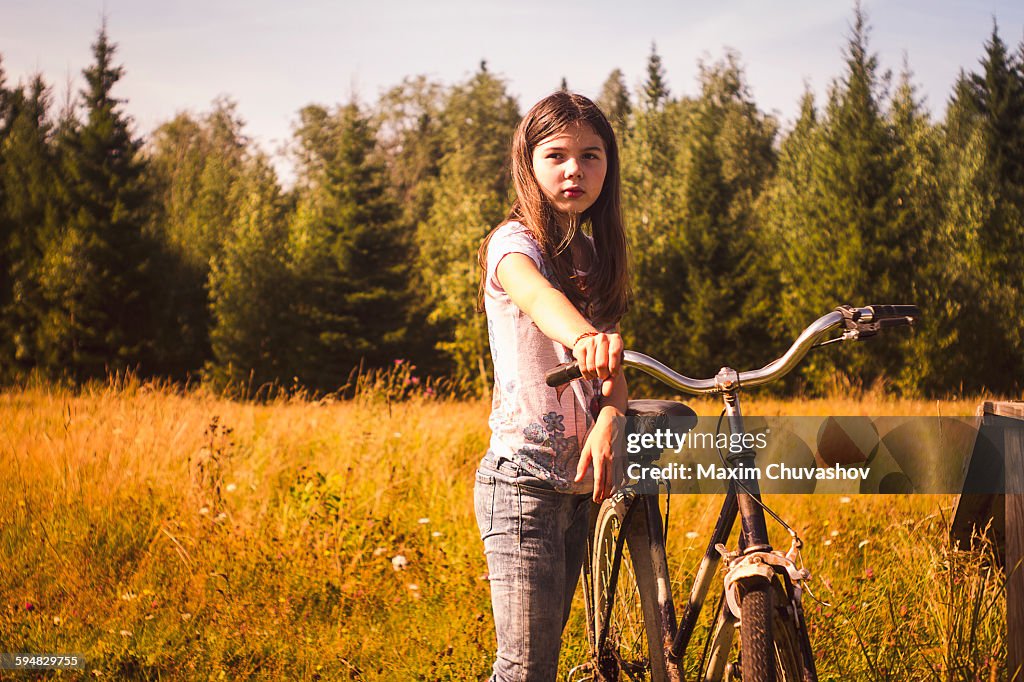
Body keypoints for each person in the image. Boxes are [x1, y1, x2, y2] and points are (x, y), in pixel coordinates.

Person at [473, 91, 630, 681]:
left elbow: (613, 373)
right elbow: (540, 299)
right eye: (556, 155)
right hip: (523, 486)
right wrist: (585, 335)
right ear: (529, 164)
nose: (574, 170)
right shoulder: (513, 246)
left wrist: (613, 417)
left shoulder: (592, 252)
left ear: (608, 167)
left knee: (545, 662)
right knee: (525, 668)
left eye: (591, 156)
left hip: (580, 490)